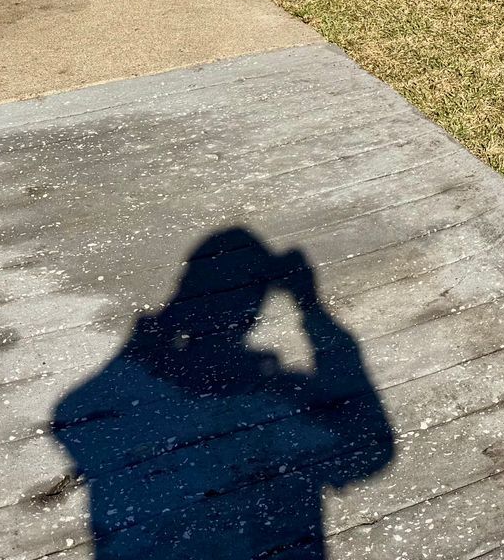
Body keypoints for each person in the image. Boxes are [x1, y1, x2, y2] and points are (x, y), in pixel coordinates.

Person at [52, 228, 393, 558]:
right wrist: (310, 306)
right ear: (255, 311)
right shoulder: (283, 400)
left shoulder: (126, 404)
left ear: (187, 293)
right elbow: (370, 449)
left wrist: (162, 325)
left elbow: (73, 415)